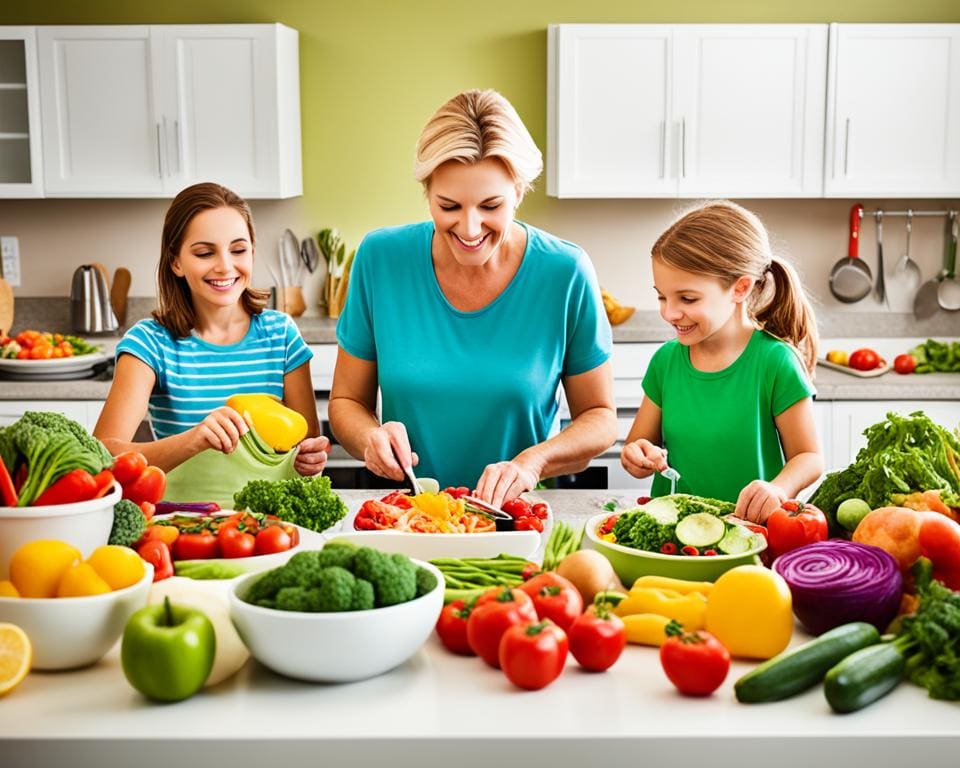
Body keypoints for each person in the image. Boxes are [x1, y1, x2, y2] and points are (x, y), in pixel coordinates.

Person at [330, 89, 616, 508]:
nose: (469, 227)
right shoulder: (380, 259)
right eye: (449, 205)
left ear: (518, 191)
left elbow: (600, 417)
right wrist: (370, 438)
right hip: (410, 515)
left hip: (520, 515)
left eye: (490, 205)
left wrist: (532, 463)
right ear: (426, 192)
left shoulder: (564, 272)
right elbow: (347, 402)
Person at [94, 182, 329, 502]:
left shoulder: (281, 335)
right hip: (182, 525)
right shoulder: (150, 343)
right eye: (205, 252)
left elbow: (306, 447)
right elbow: (101, 456)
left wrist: (311, 458)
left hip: (275, 529)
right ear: (176, 262)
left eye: (238, 250)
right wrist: (194, 440)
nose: (225, 266)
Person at [620, 200, 823, 523]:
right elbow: (638, 445)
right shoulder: (665, 361)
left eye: (687, 298)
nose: (669, 312)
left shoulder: (775, 362)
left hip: (749, 532)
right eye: (662, 296)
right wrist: (636, 455)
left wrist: (778, 489)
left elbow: (809, 457)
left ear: (740, 288)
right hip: (670, 533)